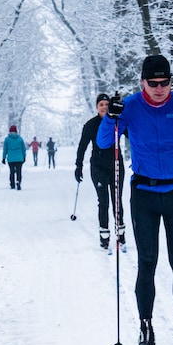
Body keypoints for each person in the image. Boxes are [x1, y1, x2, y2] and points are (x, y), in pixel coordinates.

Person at [97, 54, 173, 345]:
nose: (159, 88)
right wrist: (111, 117)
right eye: (153, 83)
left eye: (165, 82)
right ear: (142, 82)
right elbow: (104, 142)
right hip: (144, 194)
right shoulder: (130, 107)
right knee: (147, 262)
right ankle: (146, 326)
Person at [76, 94, 127, 250]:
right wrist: (78, 165)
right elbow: (82, 145)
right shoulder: (91, 124)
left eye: (106, 104)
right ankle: (104, 236)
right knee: (103, 201)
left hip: (116, 165)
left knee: (117, 200)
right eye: (101, 105)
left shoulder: (117, 120)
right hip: (98, 167)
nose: (104, 107)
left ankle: (121, 234)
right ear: (97, 107)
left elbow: (133, 136)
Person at [2, 124, 26, 190]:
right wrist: (24, 157)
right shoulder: (20, 139)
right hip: (19, 158)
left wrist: (3, 158)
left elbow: (5, 149)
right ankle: (18, 182)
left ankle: (12, 184)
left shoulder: (7, 139)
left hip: (11, 158)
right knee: (19, 171)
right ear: (16, 131)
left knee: (12, 171)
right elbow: (23, 149)